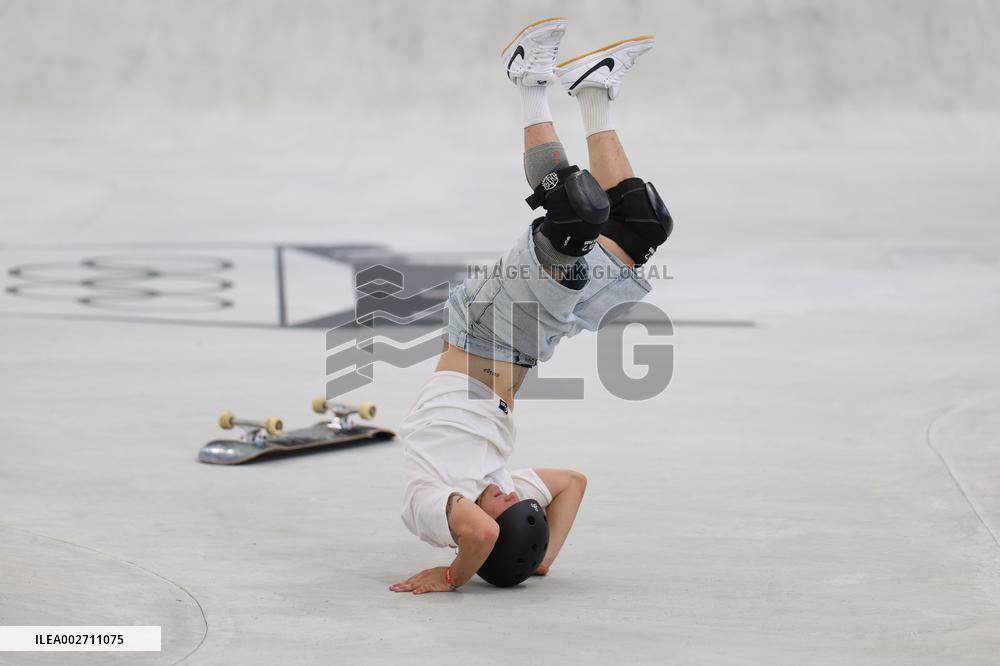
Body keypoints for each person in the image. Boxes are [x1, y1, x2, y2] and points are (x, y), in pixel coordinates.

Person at [390, 17, 672, 594]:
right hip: (535, 335)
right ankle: (593, 92)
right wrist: (539, 559)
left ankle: (528, 80)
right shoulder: (499, 489)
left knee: (572, 216)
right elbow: (572, 482)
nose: (512, 493)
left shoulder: (430, 501)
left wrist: (451, 576)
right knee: (641, 226)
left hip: (488, 329)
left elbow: (480, 538)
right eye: (519, 501)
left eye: (506, 504)